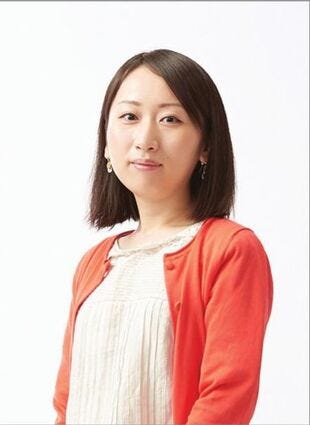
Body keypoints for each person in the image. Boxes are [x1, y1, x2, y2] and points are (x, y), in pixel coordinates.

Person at [53, 49, 273, 425]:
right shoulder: (94, 263)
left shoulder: (229, 250)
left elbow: (226, 396)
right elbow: (67, 401)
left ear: (205, 145)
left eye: (171, 119)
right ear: (106, 141)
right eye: (129, 117)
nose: (145, 138)